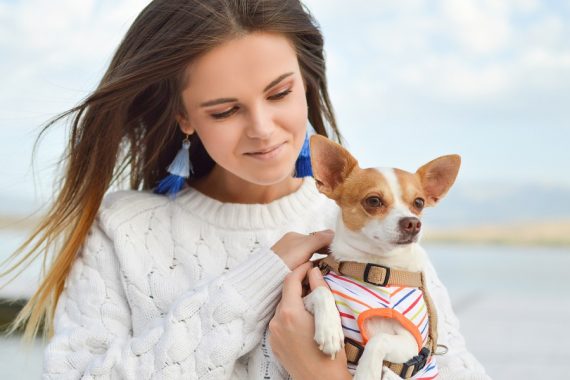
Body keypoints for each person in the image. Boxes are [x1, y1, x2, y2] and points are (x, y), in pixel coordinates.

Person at [3, 0, 490, 378]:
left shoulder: (369, 229)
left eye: (280, 93)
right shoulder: (124, 229)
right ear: (185, 119)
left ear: (307, 84)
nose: (262, 128)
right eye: (224, 110)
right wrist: (258, 280)